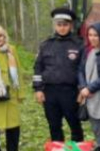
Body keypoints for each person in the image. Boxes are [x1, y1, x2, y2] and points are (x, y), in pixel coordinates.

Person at [33, 7, 85, 142]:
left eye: (65, 25)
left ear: (71, 25)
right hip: (49, 91)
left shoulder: (79, 44)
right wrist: (38, 89)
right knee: (54, 125)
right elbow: (38, 67)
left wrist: (82, 89)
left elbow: (83, 69)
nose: (62, 28)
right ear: (55, 25)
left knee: (74, 124)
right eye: (59, 25)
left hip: (70, 92)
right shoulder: (46, 44)